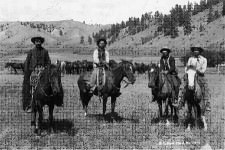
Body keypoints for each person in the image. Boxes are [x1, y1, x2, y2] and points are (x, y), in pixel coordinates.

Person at [22, 36, 51, 113]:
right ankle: (31, 104)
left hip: (43, 72)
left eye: (39, 41)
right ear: (34, 42)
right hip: (34, 72)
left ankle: (52, 101)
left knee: (50, 85)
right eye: (36, 41)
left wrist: (46, 69)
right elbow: (27, 62)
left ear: (41, 42)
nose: (38, 43)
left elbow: (48, 62)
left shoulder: (45, 51)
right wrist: (27, 72)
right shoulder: (31, 52)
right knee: (33, 87)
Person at [178, 45, 211, 111]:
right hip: (190, 75)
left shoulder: (204, 59)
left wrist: (196, 70)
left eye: (197, 50)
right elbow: (187, 67)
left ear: (200, 51)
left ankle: (207, 103)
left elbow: (203, 70)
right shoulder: (190, 59)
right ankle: (181, 101)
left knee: (205, 87)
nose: (196, 51)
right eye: (195, 50)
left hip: (200, 75)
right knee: (183, 85)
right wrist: (188, 71)